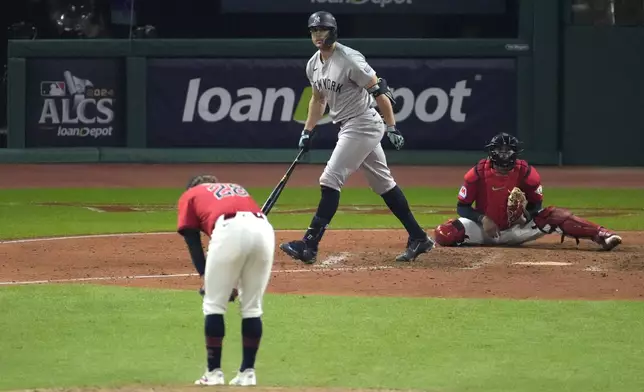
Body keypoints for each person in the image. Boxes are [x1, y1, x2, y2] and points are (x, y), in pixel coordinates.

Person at [279, 10, 434, 264]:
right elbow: (317, 100)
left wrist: (392, 126)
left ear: (333, 31)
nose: (318, 35)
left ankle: (309, 245)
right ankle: (418, 237)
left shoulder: (350, 59)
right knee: (384, 184)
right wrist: (307, 130)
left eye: (323, 30)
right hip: (348, 125)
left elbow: (379, 91)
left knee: (329, 179)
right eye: (314, 31)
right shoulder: (313, 64)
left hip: (363, 123)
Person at [433, 132, 623, 250]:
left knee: (553, 214)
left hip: (517, 229)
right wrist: (483, 219)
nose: (503, 155)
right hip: (485, 230)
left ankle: (601, 235)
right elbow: (462, 207)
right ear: (492, 153)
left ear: (515, 153)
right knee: (444, 233)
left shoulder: (526, 172)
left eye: (507, 151)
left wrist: (526, 214)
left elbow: (536, 203)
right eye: (500, 151)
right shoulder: (476, 174)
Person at [176, 174, 275, 386]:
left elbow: (192, 239)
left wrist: (206, 277)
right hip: (264, 229)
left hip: (229, 229)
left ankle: (213, 373)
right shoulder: (235, 187)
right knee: (252, 308)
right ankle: (247, 373)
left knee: (213, 304)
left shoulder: (190, 195)